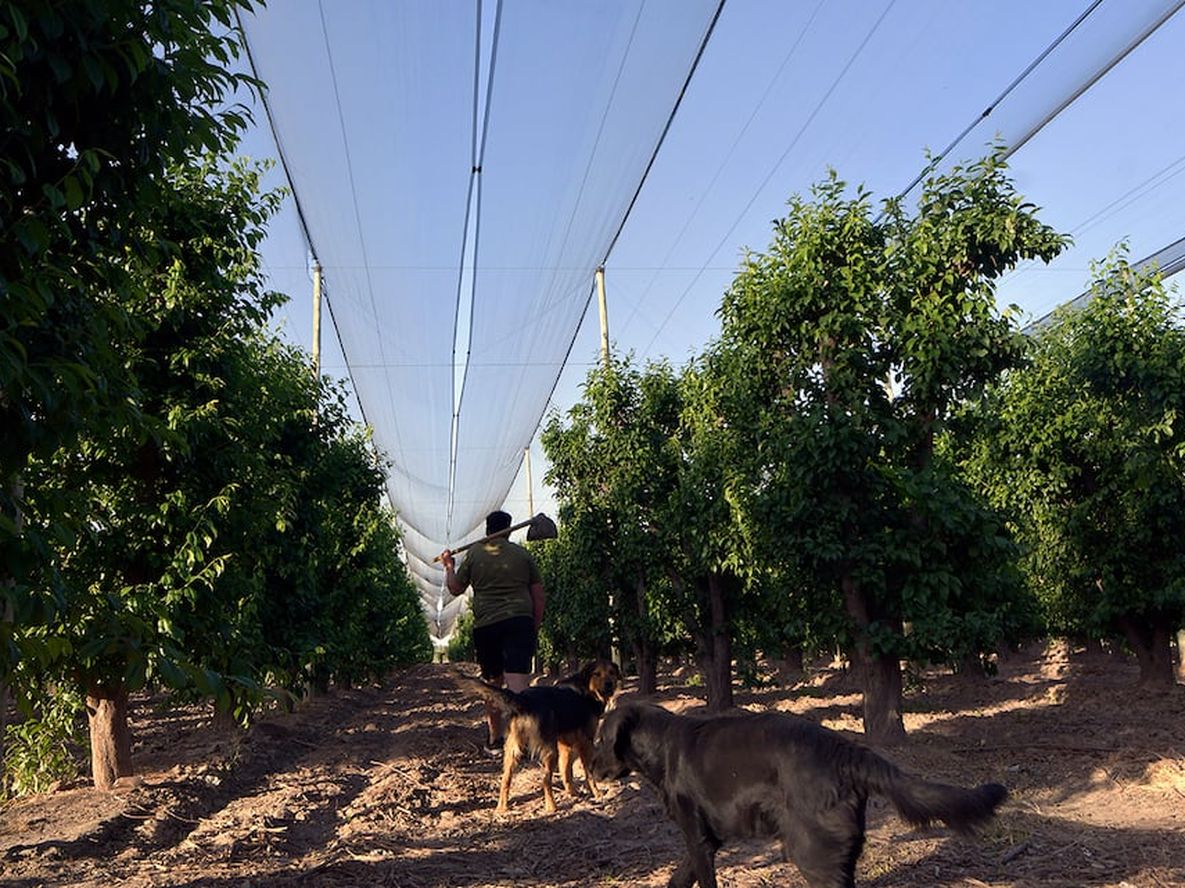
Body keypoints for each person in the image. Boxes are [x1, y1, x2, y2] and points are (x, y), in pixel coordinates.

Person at [440, 510, 546, 755]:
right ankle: (526, 741)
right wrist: (534, 625)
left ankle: (495, 739)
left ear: (488, 529)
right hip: (520, 621)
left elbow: (455, 588)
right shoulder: (522, 555)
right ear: (508, 530)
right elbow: (538, 595)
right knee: (518, 681)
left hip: (487, 625)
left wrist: (449, 566)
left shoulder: (475, 554)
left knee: (492, 683)